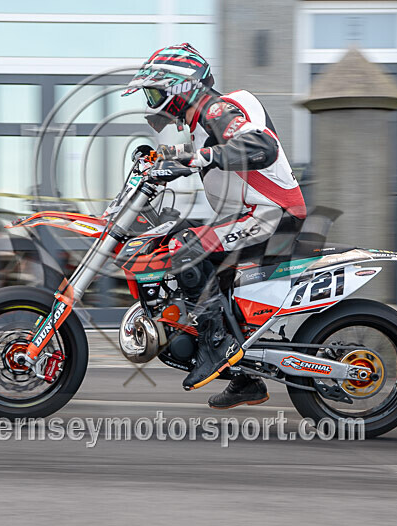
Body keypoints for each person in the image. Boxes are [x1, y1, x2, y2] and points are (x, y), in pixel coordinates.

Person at [123, 43, 306, 409]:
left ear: (181, 88)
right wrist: (158, 159)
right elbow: (198, 155)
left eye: (157, 91)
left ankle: (216, 346)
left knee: (184, 248)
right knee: (174, 240)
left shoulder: (219, 108)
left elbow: (261, 146)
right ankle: (245, 379)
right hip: (250, 218)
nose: (153, 99)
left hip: (272, 215)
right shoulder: (202, 122)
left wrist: (199, 157)